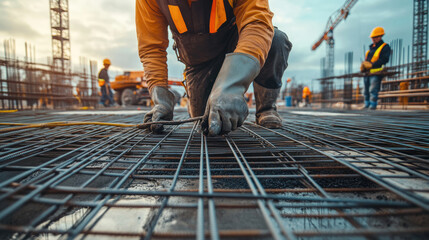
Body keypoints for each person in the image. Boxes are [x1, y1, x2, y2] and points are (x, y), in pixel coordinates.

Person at [136, 0, 292, 135]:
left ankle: (266, 109)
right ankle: (201, 95)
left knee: (275, 40)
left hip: (236, 46)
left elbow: (257, 23)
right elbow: (152, 48)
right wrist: (160, 100)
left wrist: (232, 86)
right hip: (200, 64)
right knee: (207, 122)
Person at [360, 27, 391, 110]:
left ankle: (373, 105)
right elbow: (367, 61)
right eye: (372, 37)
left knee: (373, 90)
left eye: (375, 37)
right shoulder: (370, 49)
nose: (373, 39)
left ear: (380, 37)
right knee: (366, 90)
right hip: (367, 73)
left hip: (376, 72)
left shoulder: (385, 47)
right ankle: (367, 104)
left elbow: (384, 59)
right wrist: (364, 66)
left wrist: (372, 65)